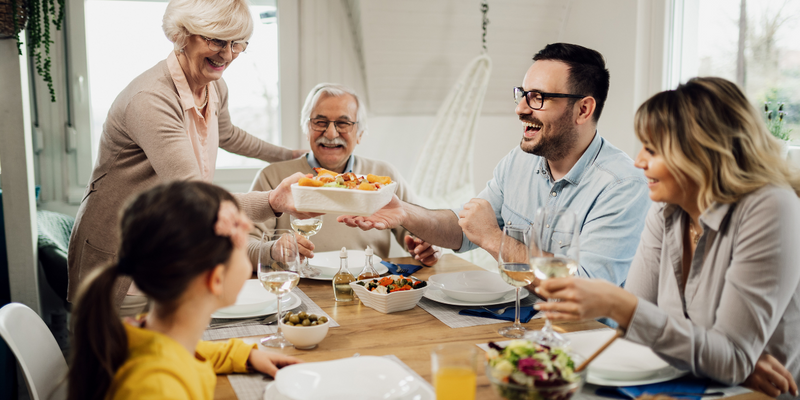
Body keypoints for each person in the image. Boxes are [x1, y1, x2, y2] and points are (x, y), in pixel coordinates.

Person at [534, 77, 800, 397]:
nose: (638, 161)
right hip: (694, 385)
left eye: (653, 149)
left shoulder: (771, 207)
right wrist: (719, 360)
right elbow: (638, 334)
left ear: (702, 153)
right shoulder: (669, 209)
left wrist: (624, 307)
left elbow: (727, 358)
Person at [67, 0, 310, 316]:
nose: (227, 54)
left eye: (237, 43)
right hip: (123, 260)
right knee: (129, 363)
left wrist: (290, 155)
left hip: (169, 248)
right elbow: (195, 197)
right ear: (180, 35)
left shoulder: (214, 86)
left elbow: (228, 135)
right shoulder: (150, 100)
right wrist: (273, 201)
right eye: (215, 40)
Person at [340, 43, 650, 286]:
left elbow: (582, 291)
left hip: (582, 341)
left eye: (538, 98)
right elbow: (463, 231)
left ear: (583, 109)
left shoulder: (622, 186)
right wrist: (404, 212)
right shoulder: (519, 160)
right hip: (514, 321)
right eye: (522, 95)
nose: (520, 109)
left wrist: (493, 238)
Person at [67, 181, 303, 400]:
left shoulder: (152, 333)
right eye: (242, 248)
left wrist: (246, 356)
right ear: (216, 279)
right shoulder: (157, 389)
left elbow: (193, 350)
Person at [248, 83, 441, 268]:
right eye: (320, 122)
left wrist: (429, 247)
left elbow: (423, 228)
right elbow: (242, 246)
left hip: (369, 289)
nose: (331, 133)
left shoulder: (385, 175)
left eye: (343, 123)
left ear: (360, 133)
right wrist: (272, 250)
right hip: (299, 290)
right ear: (307, 129)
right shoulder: (272, 177)